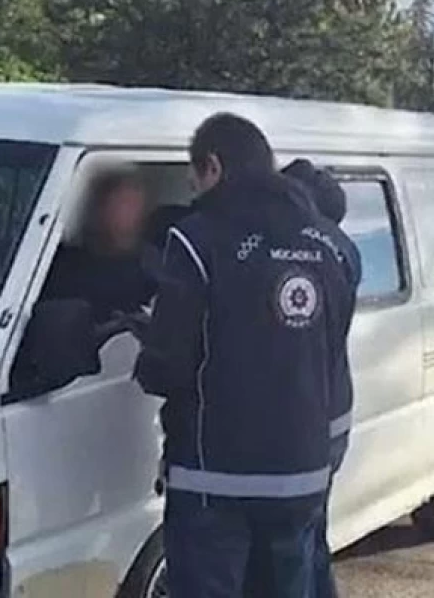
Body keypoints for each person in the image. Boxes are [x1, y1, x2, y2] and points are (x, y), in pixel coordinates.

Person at [134, 113, 355, 597]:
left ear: (213, 165)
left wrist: (143, 347)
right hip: (302, 478)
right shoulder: (336, 248)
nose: (194, 190)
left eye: (195, 179)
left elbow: (168, 366)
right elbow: (330, 359)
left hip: (214, 479)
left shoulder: (196, 241)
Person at [241, 159, 360, 598]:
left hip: (303, 429)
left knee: (288, 553)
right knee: (311, 541)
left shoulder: (297, 259)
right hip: (330, 419)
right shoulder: (341, 252)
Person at [42, 167, 155, 324]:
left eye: (134, 204)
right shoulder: (60, 265)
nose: (130, 213)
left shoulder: (154, 266)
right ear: (100, 207)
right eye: (122, 203)